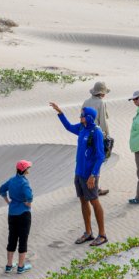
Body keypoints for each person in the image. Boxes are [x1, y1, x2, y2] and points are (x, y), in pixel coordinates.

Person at [49, 102, 109, 247]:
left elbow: (100, 156)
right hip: (79, 172)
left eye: (82, 115)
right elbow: (69, 127)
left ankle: (102, 235)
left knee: (94, 201)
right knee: (83, 201)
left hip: (90, 175)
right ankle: (88, 232)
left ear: (88, 117)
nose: (80, 117)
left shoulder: (96, 132)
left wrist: (93, 175)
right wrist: (60, 113)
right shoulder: (82, 127)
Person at [0, 160, 34, 274]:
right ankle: (20, 266)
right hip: (24, 214)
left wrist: (8, 201)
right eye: (28, 168)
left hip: (12, 213)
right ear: (25, 170)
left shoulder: (11, 180)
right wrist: (28, 204)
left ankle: (9, 265)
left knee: (12, 237)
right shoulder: (24, 183)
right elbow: (29, 197)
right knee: (23, 238)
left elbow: (1, 190)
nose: (28, 170)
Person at [83, 81, 112, 196]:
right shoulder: (101, 103)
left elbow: (82, 118)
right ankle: (95, 188)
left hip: (85, 135)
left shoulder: (86, 102)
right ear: (102, 93)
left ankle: (86, 185)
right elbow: (103, 122)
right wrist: (107, 136)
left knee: (88, 159)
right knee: (98, 160)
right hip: (96, 135)